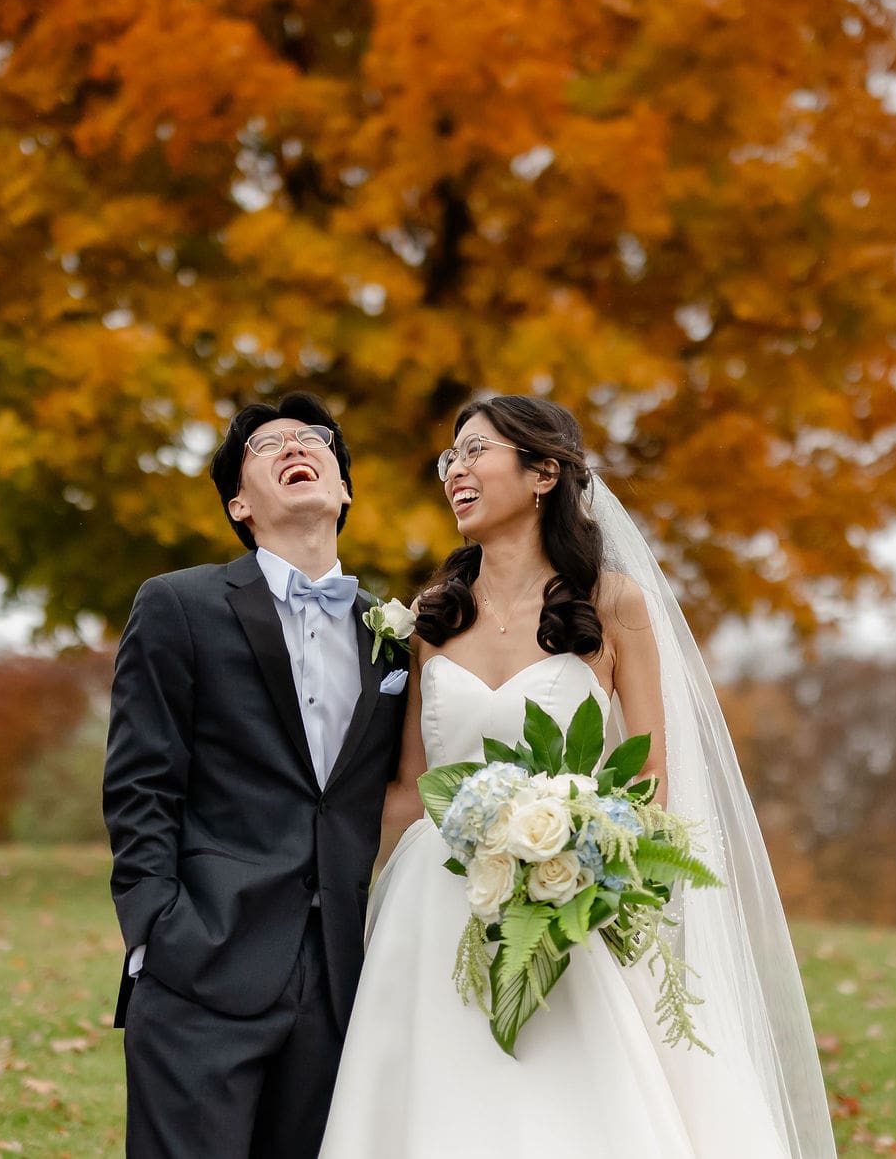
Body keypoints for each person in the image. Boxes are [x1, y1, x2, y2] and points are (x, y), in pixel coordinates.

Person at [319, 395, 840, 1158]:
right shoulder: (434, 615)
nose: (454, 471)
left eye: (474, 451)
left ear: (542, 472)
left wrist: (578, 857)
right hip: (432, 905)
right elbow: (409, 784)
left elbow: (652, 778)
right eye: (448, 459)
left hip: (565, 902)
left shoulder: (616, 604)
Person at [103, 393, 409, 1159]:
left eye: (312, 439)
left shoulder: (397, 636)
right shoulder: (178, 603)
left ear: (341, 488)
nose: (294, 446)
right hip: (202, 959)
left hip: (341, 978)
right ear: (240, 502)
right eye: (266, 444)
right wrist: (156, 933)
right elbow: (141, 781)